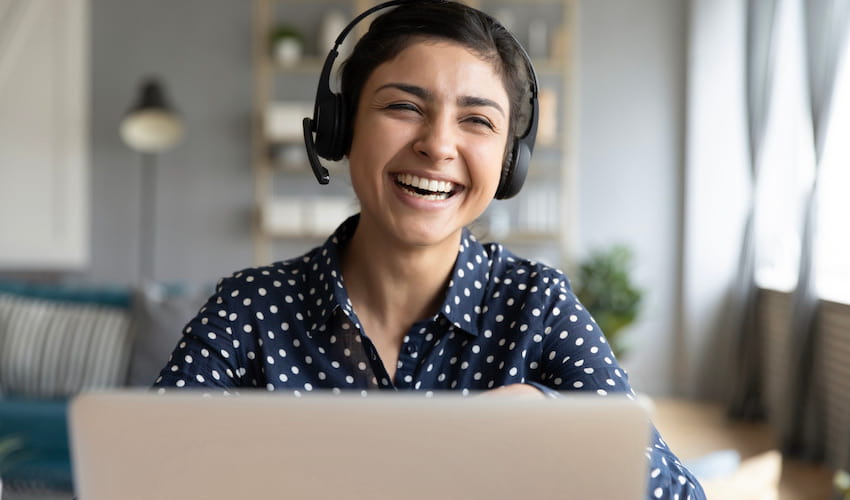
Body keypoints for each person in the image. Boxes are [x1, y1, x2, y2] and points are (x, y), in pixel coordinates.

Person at [154, 1, 706, 498]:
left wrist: (555, 417)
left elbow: (678, 493)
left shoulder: (537, 305)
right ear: (340, 128)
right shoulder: (251, 307)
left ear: (509, 163)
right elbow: (146, 468)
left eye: (477, 120)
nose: (438, 145)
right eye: (404, 107)